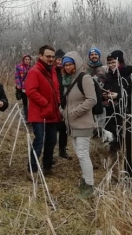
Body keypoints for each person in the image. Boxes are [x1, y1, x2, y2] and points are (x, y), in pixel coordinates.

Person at [103, 50, 132, 188]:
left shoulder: (129, 74)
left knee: (127, 150)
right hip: (112, 117)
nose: (110, 65)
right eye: (108, 62)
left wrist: (118, 96)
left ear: (120, 62)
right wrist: (106, 96)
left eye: (113, 62)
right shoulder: (110, 76)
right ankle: (115, 177)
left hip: (127, 117)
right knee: (113, 147)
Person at [61, 52, 97, 198]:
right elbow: (68, 102)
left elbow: (92, 100)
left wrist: (74, 113)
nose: (68, 67)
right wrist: (63, 112)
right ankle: (85, 178)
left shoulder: (85, 78)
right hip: (71, 124)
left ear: (77, 63)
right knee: (79, 153)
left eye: (70, 64)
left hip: (83, 123)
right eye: (66, 65)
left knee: (83, 154)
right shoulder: (67, 80)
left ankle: (89, 184)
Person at [25, 45, 62, 177]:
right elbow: (30, 91)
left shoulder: (52, 71)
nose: (51, 59)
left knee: (52, 140)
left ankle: (47, 166)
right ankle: (32, 169)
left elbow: (56, 89)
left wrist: (57, 102)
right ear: (40, 56)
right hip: (38, 113)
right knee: (39, 140)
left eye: (52, 56)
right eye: (48, 56)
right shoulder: (34, 71)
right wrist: (45, 103)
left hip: (52, 112)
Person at [85, 47, 108, 131]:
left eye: (96, 54)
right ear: (89, 56)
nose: (94, 56)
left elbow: (109, 82)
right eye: (92, 54)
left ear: (99, 56)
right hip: (88, 100)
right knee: (90, 126)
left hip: (102, 101)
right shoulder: (85, 69)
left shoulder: (104, 69)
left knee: (101, 127)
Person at [54, 49, 71, 160]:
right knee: (52, 130)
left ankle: (62, 150)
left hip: (65, 103)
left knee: (64, 129)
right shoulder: (52, 72)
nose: (60, 61)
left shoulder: (67, 73)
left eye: (62, 59)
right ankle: (50, 153)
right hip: (54, 103)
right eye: (58, 59)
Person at [14, 54, 32, 122]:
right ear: (23, 60)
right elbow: (17, 76)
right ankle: (26, 117)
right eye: (26, 59)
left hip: (30, 87)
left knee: (31, 103)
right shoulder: (19, 67)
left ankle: (31, 117)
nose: (27, 61)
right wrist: (18, 84)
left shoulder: (32, 67)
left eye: (28, 59)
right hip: (23, 88)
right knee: (25, 103)